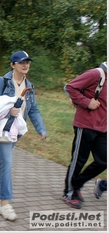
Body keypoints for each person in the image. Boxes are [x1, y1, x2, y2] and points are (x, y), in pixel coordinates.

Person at [0, 51, 47, 221]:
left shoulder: (29, 86)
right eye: (21, 62)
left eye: (27, 62)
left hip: (16, 130)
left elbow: (33, 109)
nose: (25, 65)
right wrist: (7, 110)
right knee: (6, 162)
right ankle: (4, 204)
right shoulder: (3, 81)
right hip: (2, 128)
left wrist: (41, 129)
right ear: (12, 65)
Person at [61, 62, 107, 209]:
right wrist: (86, 102)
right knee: (79, 160)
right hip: (85, 125)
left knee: (104, 161)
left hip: (102, 128)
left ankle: (77, 184)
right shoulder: (96, 74)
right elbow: (69, 87)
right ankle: (69, 193)